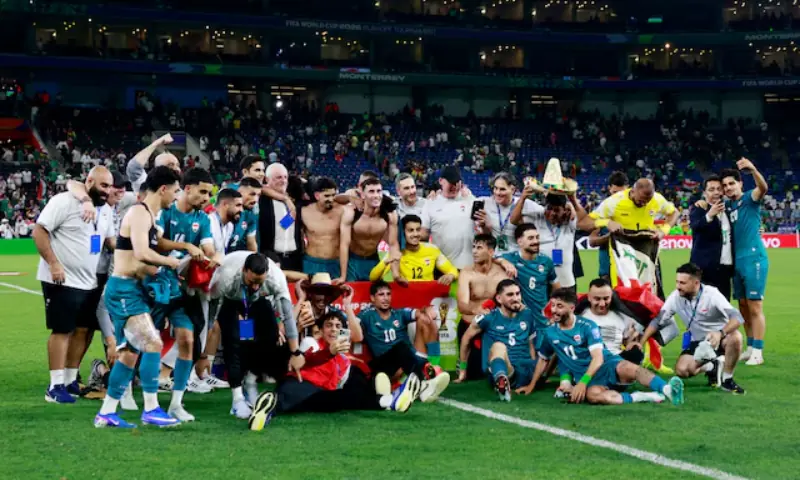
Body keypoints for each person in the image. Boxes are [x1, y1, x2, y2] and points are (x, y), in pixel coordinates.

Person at [94, 166, 183, 428]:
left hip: (133, 289)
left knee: (130, 353)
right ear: (163, 189)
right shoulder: (140, 212)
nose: (175, 197)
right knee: (152, 343)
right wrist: (171, 262)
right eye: (175, 191)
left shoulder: (150, 216)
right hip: (123, 290)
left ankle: (106, 413)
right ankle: (152, 409)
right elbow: (142, 252)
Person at [247, 312, 422, 431]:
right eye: (329, 325)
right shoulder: (310, 342)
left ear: (342, 331)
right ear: (321, 330)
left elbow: (344, 375)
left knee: (338, 397)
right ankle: (390, 400)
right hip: (300, 385)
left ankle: (266, 410)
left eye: (338, 326)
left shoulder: (341, 358)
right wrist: (329, 352)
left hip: (315, 395)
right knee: (338, 398)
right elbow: (306, 360)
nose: (333, 329)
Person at [518, 288, 685, 407]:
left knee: (629, 367)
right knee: (593, 397)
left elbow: (598, 358)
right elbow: (543, 359)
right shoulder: (550, 333)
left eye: (559, 306)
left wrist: (581, 383)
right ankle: (642, 397)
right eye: (553, 305)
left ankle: (667, 389)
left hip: (608, 365)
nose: (554, 310)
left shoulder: (587, 326)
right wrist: (532, 386)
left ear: (571, 308)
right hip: (590, 379)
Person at [33, 166, 115, 403]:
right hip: (61, 279)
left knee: (82, 331)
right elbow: (39, 232)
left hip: (89, 281)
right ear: (89, 181)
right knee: (62, 330)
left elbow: (108, 241)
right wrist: (54, 264)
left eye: (109, 186)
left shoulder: (106, 210)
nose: (107, 191)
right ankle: (54, 386)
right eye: (103, 185)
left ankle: (69, 381)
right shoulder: (64, 201)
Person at [154, 167, 218, 420]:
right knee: (142, 338)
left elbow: (208, 247)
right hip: (157, 284)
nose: (205, 198)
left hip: (182, 289)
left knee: (191, 337)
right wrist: (186, 246)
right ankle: (125, 391)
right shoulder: (165, 210)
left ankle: (176, 402)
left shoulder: (202, 218)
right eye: (202, 191)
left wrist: (212, 258)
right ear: (187, 188)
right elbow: (156, 242)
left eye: (209, 194)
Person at [209, 251, 302, 418]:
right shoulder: (226, 276)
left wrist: (296, 352)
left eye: (260, 282)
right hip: (230, 299)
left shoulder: (276, 279)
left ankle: (251, 382)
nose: (255, 286)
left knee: (271, 336)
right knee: (234, 341)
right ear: (245, 270)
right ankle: (237, 400)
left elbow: (287, 316)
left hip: (255, 301)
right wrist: (206, 351)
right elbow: (212, 310)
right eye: (252, 281)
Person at [639, 263, 746, 394]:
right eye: (677, 282)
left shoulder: (712, 294)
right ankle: (712, 366)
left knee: (736, 338)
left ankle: (727, 380)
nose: (678, 286)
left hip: (720, 339)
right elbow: (658, 321)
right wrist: (641, 342)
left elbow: (738, 317)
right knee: (682, 371)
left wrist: (720, 333)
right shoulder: (675, 297)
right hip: (699, 342)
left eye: (683, 283)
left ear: (696, 283)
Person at [357, 280, 451, 403]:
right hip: (385, 365)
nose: (386, 298)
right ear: (372, 298)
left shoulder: (399, 313)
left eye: (388, 294)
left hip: (407, 360)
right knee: (400, 347)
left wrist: (426, 311)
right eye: (381, 295)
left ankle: (431, 367)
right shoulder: (366, 315)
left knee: (424, 319)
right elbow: (353, 330)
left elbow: (419, 313)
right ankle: (424, 381)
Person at [456, 280, 537, 402]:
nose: (516, 298)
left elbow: (531, 344)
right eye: (510, 295)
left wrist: (535, 370)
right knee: (498, 346)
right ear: (499, 298)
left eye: (517, 294)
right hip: (502, 368)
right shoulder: (488, 318)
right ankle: (502, 381)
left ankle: (502, 383)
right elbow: (466, 339)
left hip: (524, 371)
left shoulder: (527, 315)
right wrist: (463, 370)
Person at [721, 159, 769, 365]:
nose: (728, 188)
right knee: (742, 306)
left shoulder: (750, 198)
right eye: (725, 186)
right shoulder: (728, 206)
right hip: (736, 262)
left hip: (753, 258)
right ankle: (750, 347)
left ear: (740, 183)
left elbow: (763, 188)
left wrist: (753, 170)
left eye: (732, 183)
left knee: (755, 306)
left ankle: (758, 350)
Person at [495, 224, 559, 352]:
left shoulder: (546, 262)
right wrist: (503, 261)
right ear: (519, 241)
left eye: (537, 237)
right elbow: (491, 256)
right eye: (530, 238)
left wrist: (554, 310)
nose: (535, 241)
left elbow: (556, 288)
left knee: (543, 360)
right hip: (520, 318)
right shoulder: (511, 258)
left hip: (542, 319)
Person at [456, 234, 509, 378]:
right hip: (470, 324)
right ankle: (462, 365)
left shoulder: (503, 273)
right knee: (475, 374)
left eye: (479, 248)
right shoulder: (466, 273)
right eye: (473, 247)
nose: (474, 251)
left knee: (491, 370)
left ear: (491, 252)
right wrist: (475, 310)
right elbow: (462, 305)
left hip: (493, 326)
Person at [338, 177, 400, 282]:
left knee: (376, 296)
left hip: (373, 260)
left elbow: (393, 244)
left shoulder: (389, 215)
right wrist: (343, 276)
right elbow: (344, 245)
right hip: (352, 261)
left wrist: (396, 275)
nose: (376, 195)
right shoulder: (351, 213)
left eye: (379, 191)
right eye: (371, 191)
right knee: (352, 294)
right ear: (362, 194)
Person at [369, 214, 458, 286]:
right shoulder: (396, 253)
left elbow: (452, 270)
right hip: (407, 300)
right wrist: (386, 262)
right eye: (410, 230)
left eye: (418, 230)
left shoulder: (432, 250)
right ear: (403, 232)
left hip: (428, 298)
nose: (415, 234)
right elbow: (373, 277)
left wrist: (451, 276)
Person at [576, 278, 643, 365]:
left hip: (616, 359)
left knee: (636, 354)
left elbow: (627, 341)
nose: (602, 304)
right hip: (589, 359)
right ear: (589, 297)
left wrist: (632, 344)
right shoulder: (579, 316)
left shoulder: (622, 316)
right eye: (597, 299)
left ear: (611, 296)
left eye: (606, 298)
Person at [420, 166, 475, 269]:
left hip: (468, 267)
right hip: (441, 268)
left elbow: (482, 227)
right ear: (441, 181)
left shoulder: (470, 200)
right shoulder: (431, 203)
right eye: (451, 182)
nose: (454, 186)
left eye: (457, 182)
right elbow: (424, 235)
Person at [690, 175, 733, 299]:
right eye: (711, 189)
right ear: (704, 193)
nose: (716, 192)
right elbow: (696, 227)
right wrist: (709, 215)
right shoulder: (699, 208)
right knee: (703, 307)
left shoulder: (729, 209)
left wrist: (758, 229)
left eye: (719, 189)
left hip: (725, 268)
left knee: (723, 308)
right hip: (704, 269)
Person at [259, 163, 303, 271]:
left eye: (285, 177)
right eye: (278, 177)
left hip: (294, 260)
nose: (283, 181)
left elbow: (284, 225)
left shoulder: (294, 201)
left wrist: (286, 199)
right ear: (267, 179)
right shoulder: (260, 201)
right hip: (271, 259)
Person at [587, 172, 629, 279]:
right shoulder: (602, 210)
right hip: (607, 268)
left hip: (629, 267)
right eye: (615, 192)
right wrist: (611, 236)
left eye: (622, 193)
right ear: (609, 188)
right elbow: (592, 241)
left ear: (628, 188)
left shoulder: (635, 209)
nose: (618, 197)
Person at [302, 177, 344, 278]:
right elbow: (283, 226)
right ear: (317, 195)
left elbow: (353, 196)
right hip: (312, 263)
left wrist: (350, 198)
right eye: (327, 196)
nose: (331, 199)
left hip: (335, 263)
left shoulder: (342, 210)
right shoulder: (303, 211)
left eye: (333, 195)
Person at [476, 173, 518, 257]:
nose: (498, 193)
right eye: (495, 188)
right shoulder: (485, 202)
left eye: (502, 189)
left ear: (512, 190)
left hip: (516, 257)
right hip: (494, 257)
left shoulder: (522, 204)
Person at [229, 177, 262, 253]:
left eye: (258, 195)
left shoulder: (250, 215)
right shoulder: (224, 211)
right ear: (239, 192)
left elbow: (251, 243)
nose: (256, 199)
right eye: (252, 194)